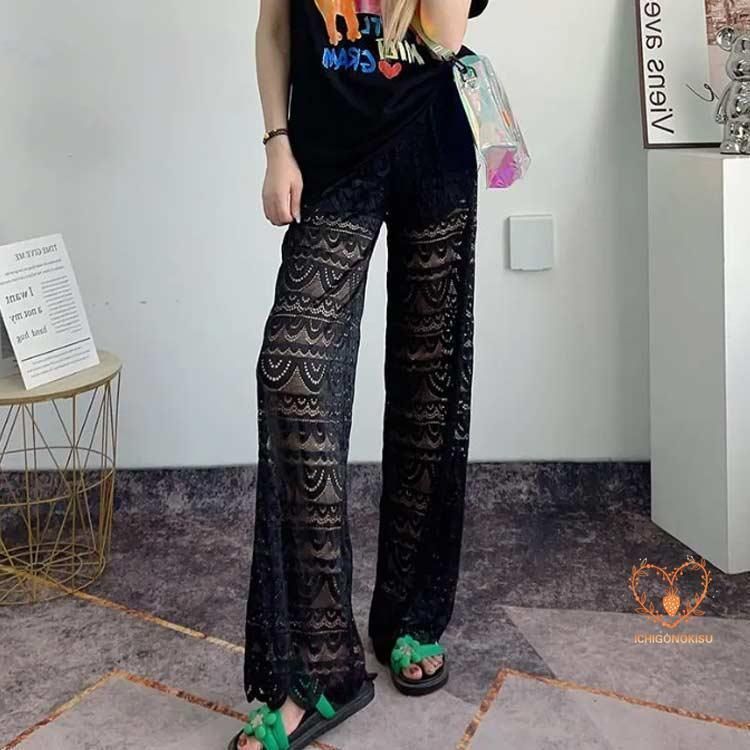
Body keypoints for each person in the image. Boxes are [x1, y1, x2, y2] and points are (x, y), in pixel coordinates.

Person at [231, 1, 489, 748]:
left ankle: (410, 616)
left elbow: (442, 38)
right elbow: (274, 26)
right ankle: (322, 665)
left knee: (426, 393)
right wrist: (277, 144)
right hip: (331, 159)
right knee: (293, 372)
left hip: (433, 149)